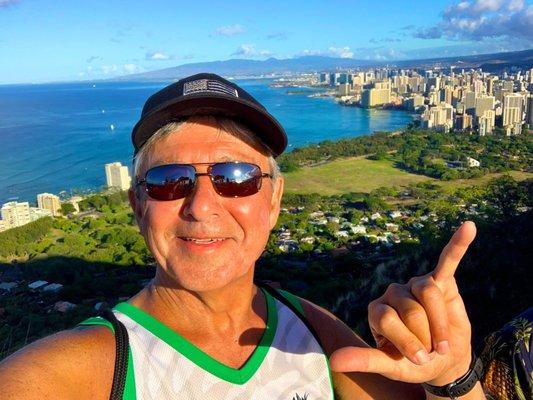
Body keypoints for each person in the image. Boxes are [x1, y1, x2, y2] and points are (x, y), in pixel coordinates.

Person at [0, 73, 486, 399]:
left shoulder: (317, 337)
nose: (202, 206)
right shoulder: (80, 373)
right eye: (170, 181)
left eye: (237, 178)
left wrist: (452, 377)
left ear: (273, 201)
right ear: (138, 205)